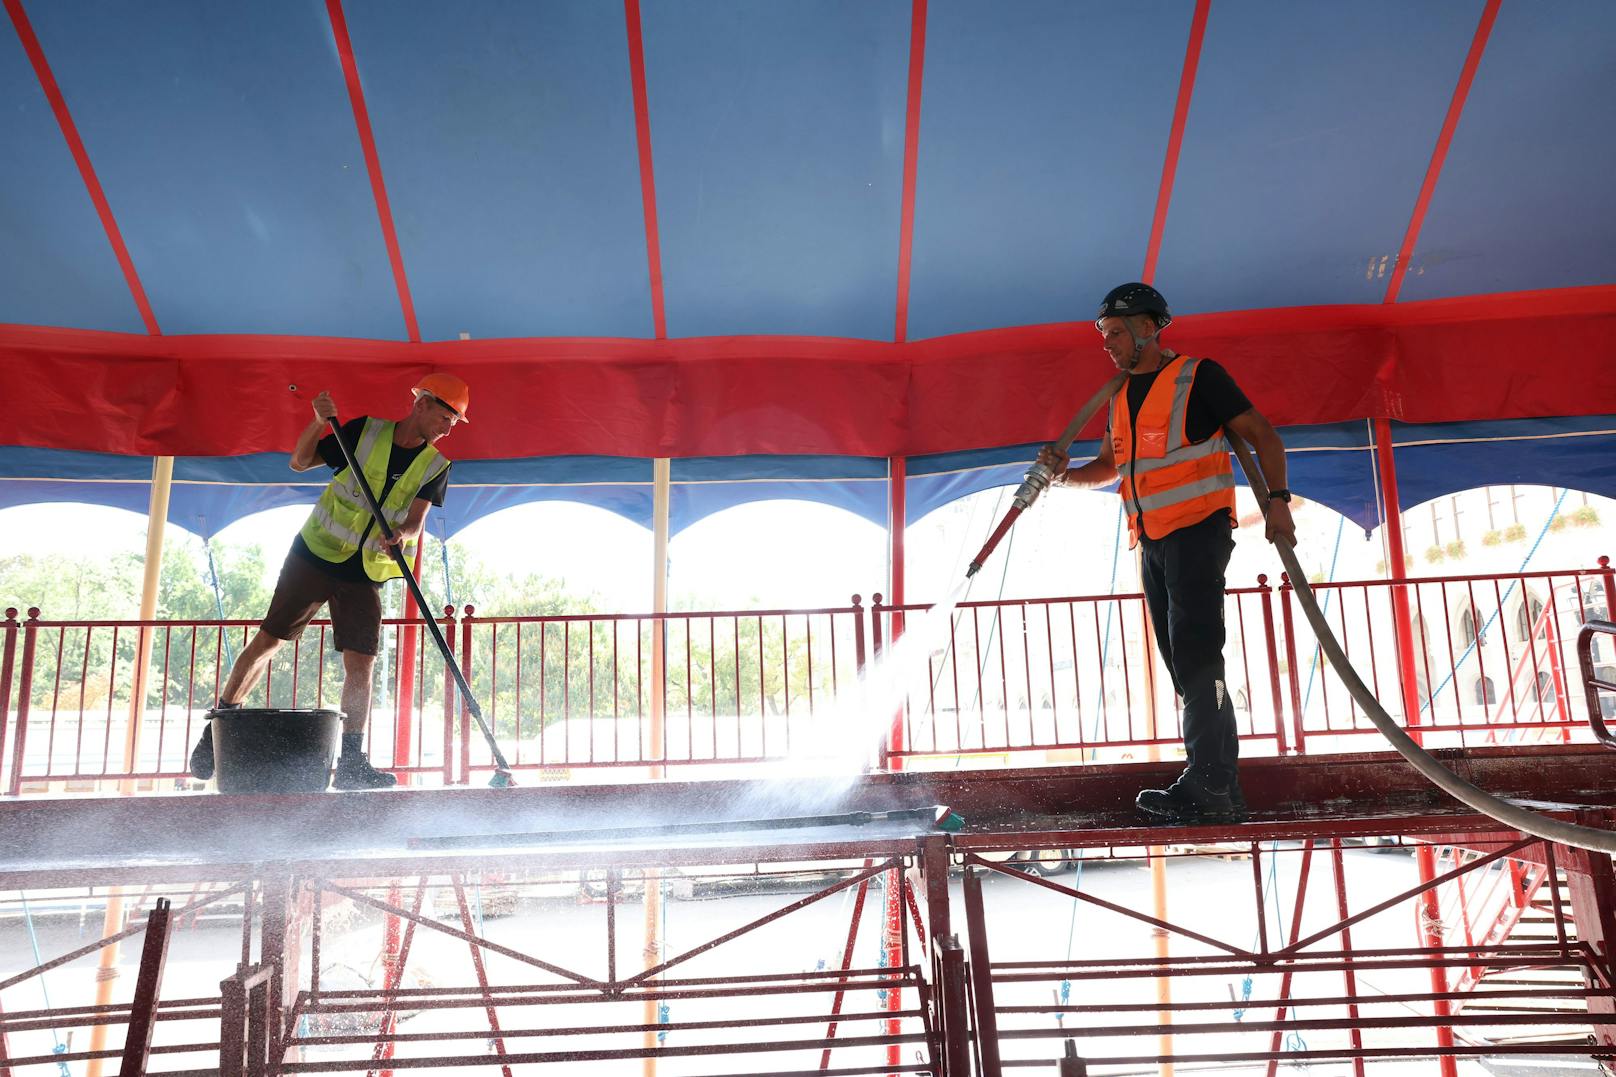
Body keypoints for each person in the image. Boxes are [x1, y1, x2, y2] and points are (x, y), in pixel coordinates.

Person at [1038, 283, 1293, 824]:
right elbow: (1109, 467)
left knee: (1199, 655)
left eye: (1115, 333)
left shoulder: (1198, 377)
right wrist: (1065, 477)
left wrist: (1278, 502)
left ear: (1148, 328)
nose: (1107, 345)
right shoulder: (1119, 394)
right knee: (1184, 664)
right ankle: (1219, 785)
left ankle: (1206, 781)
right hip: (1151, 540)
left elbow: (1264, 435)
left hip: (1197, 533)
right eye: (1103, 335)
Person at [189, 374, 469, 790]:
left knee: (363, 663)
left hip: (366, 570)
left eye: (454, 422)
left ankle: (353, 761)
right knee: (270, 640)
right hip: (315, 554)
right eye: (446, 416)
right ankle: (217, 730)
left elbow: (415, 522)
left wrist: (402, 536)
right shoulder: (363, 431)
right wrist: (319, 421)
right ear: (422, 404)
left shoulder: (436, 466)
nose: (448, 428)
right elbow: (299, 462)